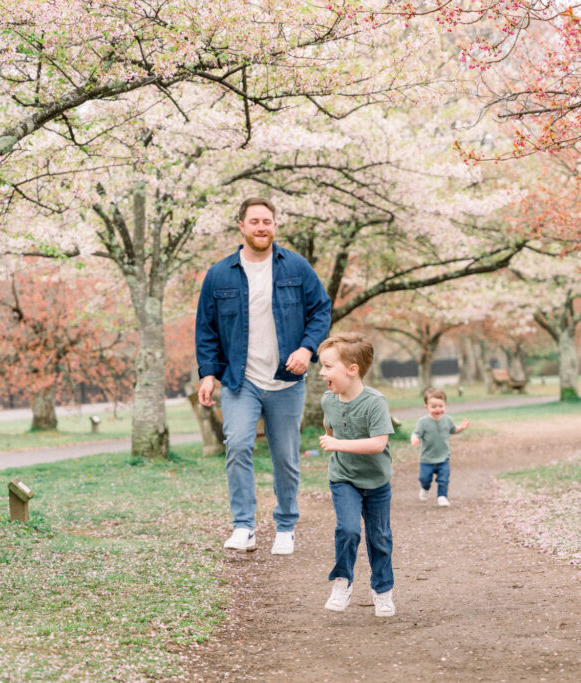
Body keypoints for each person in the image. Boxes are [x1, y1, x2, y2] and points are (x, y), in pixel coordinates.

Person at [195, 197, 331, 555]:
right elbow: (206, 330)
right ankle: (244, 527)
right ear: (241, 226)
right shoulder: (219, 274)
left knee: (285, 455)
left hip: (286, 380)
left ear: (274, 226)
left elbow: (321, 309)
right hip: (241, 381)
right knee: (238, 445)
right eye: (254, 221)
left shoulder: (296, 267)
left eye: (267, 221)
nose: (261, 227)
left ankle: (286, 525)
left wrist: (306, 348)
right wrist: (208, 374)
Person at [317, 332, 396, 617]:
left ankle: (383, 590)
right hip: (343, 477)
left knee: (380, 538)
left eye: (327, 366)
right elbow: (330, 426)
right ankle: (342, 581)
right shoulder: (329, 400)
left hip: (377, 483)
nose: (321, 371)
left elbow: (378, 444)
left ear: (352, 370)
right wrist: (332, 440)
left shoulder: (375, 402)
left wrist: (338, 443)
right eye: (322, 365)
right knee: (348, 530)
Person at [411, 387, 469, 507]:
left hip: (443, 458)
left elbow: (454, 430)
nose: (438, 409)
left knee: (444, 479)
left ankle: (442, 496)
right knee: (425, 478)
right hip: (427, 459)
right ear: (426, 407)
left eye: (441, 406)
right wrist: (414, 438)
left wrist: (461, 428)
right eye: (433, 407)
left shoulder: (447, 420)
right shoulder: (423, 422)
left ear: (445, 405)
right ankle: (425, 488)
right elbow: (416, 433)